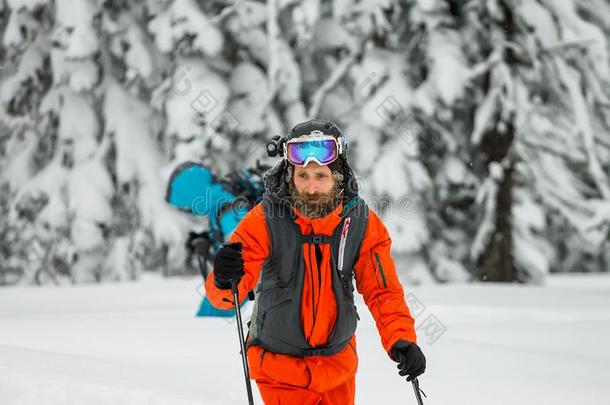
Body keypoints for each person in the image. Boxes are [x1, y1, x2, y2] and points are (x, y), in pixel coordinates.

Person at [205, 119, 426, 404]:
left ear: (338, 175)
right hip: (279, 369)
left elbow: (383, 292)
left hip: (338, 368)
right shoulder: (265, 219)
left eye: (320, 176)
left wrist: (401, 339)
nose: (311, 188)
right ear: (289, 175)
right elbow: (226, 295)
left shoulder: (360, 222)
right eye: (303, 176)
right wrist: (224, 277)